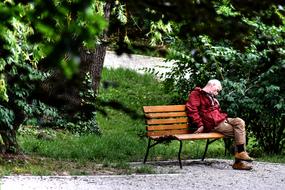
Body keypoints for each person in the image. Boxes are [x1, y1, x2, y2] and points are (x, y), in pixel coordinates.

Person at [185, 79, 254, 170]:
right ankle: (239, 161)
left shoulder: (210, 96)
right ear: (212, 85)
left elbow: (214, 111)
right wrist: (200, 125)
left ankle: (240, 153)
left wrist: (216, 104)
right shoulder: (196, 94)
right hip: (212, 123)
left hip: (220, 119)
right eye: (217, 90)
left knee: (239, 121)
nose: (217, 93)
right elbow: (192, 109)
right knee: (239, 132)